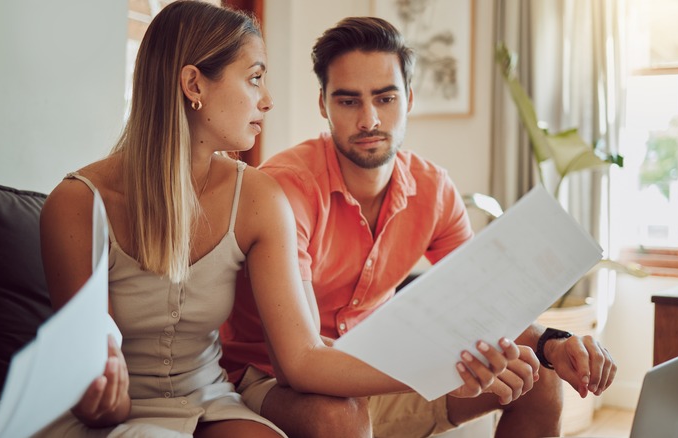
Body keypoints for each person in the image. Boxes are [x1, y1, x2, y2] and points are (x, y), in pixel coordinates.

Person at [38, 2, 519, 437]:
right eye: (254, 78)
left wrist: (457, 359)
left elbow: (304, 359)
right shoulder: (76, 204)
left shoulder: (256, 196)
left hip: (210, 401)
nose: (267, 100)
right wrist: (103, 400)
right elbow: (87, 383)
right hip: (130, 411)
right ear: (193, 85)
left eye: (386, 98)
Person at [220, 16, 618, 438]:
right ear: (324, 104)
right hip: (269, 379)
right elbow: (299, 366)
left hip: (375, 370)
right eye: (348, 100)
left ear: (408, 98)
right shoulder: (286, 188)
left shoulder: (434, 190)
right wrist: (437, 369)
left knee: (540, 379)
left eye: (385, 98)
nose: (369, 119)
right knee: (338, 416)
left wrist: (552, 343)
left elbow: (482, 303)